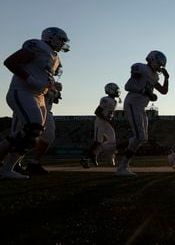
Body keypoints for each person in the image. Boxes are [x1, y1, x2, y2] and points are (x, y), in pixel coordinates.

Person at [0, 27, 69, 179]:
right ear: (52, 37)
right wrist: (31, 80)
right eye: (62, 40)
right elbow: (10, 62)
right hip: (22, 91)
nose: (63, 43)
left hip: (39, 97)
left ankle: (7, 169)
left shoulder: (55, 57)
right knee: (33, 128)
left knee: (32, 137)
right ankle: (6, 168)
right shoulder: (37, 45)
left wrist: (52, 89)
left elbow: (45, 76)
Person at [117, 51, 169, 176]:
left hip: (141, 107)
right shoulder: (141, 68)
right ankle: (122, 167)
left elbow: (163, 91)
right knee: (139, 137)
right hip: (132, 103)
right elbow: (128, 86)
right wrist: (145, 92)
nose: (160, 66)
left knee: (142, 138)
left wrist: (167, 78)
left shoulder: (155, 76)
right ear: (151, 59)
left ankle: (112, 147)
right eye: (158, 63)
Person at [25, 80, 63, 175]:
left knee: (49, 137)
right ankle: (14, 162)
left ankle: (34, 162)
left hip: (47, 112)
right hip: (37, 110)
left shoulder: (53, 86)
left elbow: (56, 100)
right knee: (28, 138)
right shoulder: (43, 80)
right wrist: (51, 89)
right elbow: (39, 92)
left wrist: (56, 93)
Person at [80, 83, 121, 168]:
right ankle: (85, 158)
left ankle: (98, 154)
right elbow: (97, 112)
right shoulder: (105, 99)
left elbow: (110, 113)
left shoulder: (114, 101)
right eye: (116, 90)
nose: (118, 92)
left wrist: (111, 121)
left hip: (106, 122)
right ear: (110, 90)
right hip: (100, 121)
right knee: (98, 141)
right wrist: (107, 120)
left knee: (112, 141)